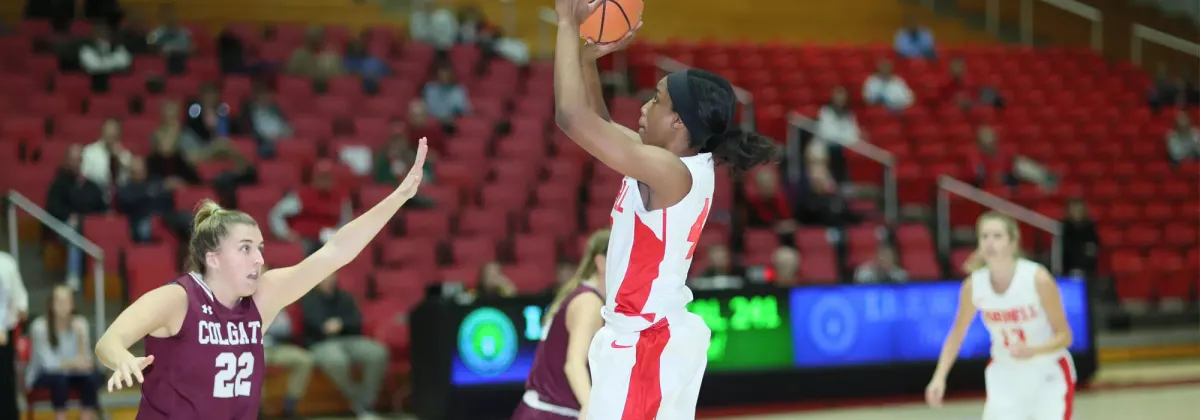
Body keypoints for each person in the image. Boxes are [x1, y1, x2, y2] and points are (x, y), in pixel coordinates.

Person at [550, 1, 778, 418]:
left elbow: (571, 117)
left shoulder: (670, 173)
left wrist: (566, 21)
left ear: (680, 123)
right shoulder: (671, 163)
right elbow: (596, 124)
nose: (642, 107)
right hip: (647, 338)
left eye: (655, 101)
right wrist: (586, 60)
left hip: (646, 344)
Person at [93, 139, 429, 420]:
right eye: (245, 248)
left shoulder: (262, 297)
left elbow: (336, 251)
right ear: (214, 258)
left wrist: (398, 197)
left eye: (260, 247)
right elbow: (108, 342)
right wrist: (121, 358)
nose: (260, 258)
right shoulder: (178, 299)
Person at [925, 212, 1076, 420]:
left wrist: (1033, 350)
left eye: (997, 236)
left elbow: (1065, 336)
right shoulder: (974, 285)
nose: (990, 242)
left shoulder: (1037, 278)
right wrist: (939, 377)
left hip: (1047, 373)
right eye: (984, 236)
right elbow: (956, 336)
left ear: (1013, 243)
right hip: (1006, 376)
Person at [513, 230, 609, 419]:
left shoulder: (582, 294)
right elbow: (573, 364)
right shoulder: (589, 302)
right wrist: (589, 407)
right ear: (601, 262)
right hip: (550, 413)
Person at [27, 285, 102, 420]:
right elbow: (49, 365)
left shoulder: (80, 324)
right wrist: (75, 363)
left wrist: (80, 337)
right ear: (51, 304)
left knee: (92, 377)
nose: (63, 306)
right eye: (59, 302)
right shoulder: (39, 327)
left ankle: (87, 416)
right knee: (59, 379)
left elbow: (86, 361)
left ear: (72, 304)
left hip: (73, 373)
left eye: (66, 302)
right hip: (43, 375)